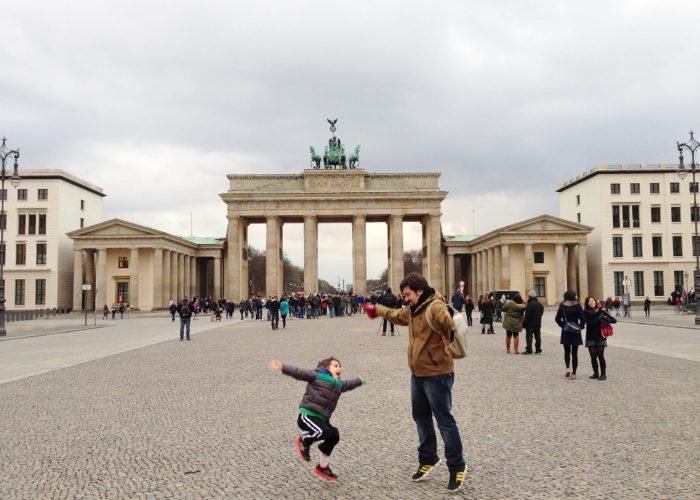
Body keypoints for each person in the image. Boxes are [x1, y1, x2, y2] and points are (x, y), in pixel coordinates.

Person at [366, 272, 466, 492]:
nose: (405, 298)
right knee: (421, 418)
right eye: (403, 295)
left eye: (408, 294)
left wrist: (448, 338)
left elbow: (454, 324)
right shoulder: (414, 310)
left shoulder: (435, 307)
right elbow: (395, 315)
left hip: (437, 374)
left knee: (444, 421)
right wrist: (377, 310)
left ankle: (457, 466)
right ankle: (428, 458)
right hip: (418, 374)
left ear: (420, 291)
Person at [267, 356, 364, 481]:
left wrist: (360, 380)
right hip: (307, 416)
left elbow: (349, 384)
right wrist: (282, 367)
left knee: (334, 435)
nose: (339, 368)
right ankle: (304, 440)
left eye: (340, 366)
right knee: (323, 432)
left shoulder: (339, 384)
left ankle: (323, 467)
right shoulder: (317, 375)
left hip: (322, 419)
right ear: (326, 368)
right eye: (335, 366)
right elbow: (299, 372)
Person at [583, 296, 616, 381]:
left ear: (595, 302)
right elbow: (590, 324)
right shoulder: (585, 312)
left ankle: (603, 374)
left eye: (592, 300)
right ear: (587, 303)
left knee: (600, 355)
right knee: (593, 356)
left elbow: (614, 320)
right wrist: (599, 318)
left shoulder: (601, 311)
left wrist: (605, 318)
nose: (591, 302)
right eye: (589, 301)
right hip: (590, 337)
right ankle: (596, 373)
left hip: (600, 336)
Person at [554, 290, 585, 379]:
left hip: (566, 331)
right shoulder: (578, 306)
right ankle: (574, 373)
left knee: (567, 351)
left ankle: (567, 368)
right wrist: (579, 328)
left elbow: (557, 319)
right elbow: (583, 320)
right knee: (575, 353)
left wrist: (563, 325)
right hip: (575, 332)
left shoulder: (562, 306)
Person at [522, 290, 544, 354]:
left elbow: (527, 315)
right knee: (538, 337)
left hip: (530, 324)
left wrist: (524, 324)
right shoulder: (540, 304)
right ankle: (538, 349)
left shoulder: (530, 304)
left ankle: (529, 349)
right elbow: (541, 313)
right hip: (538, 323)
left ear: (530, 297)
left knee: (529, 337)